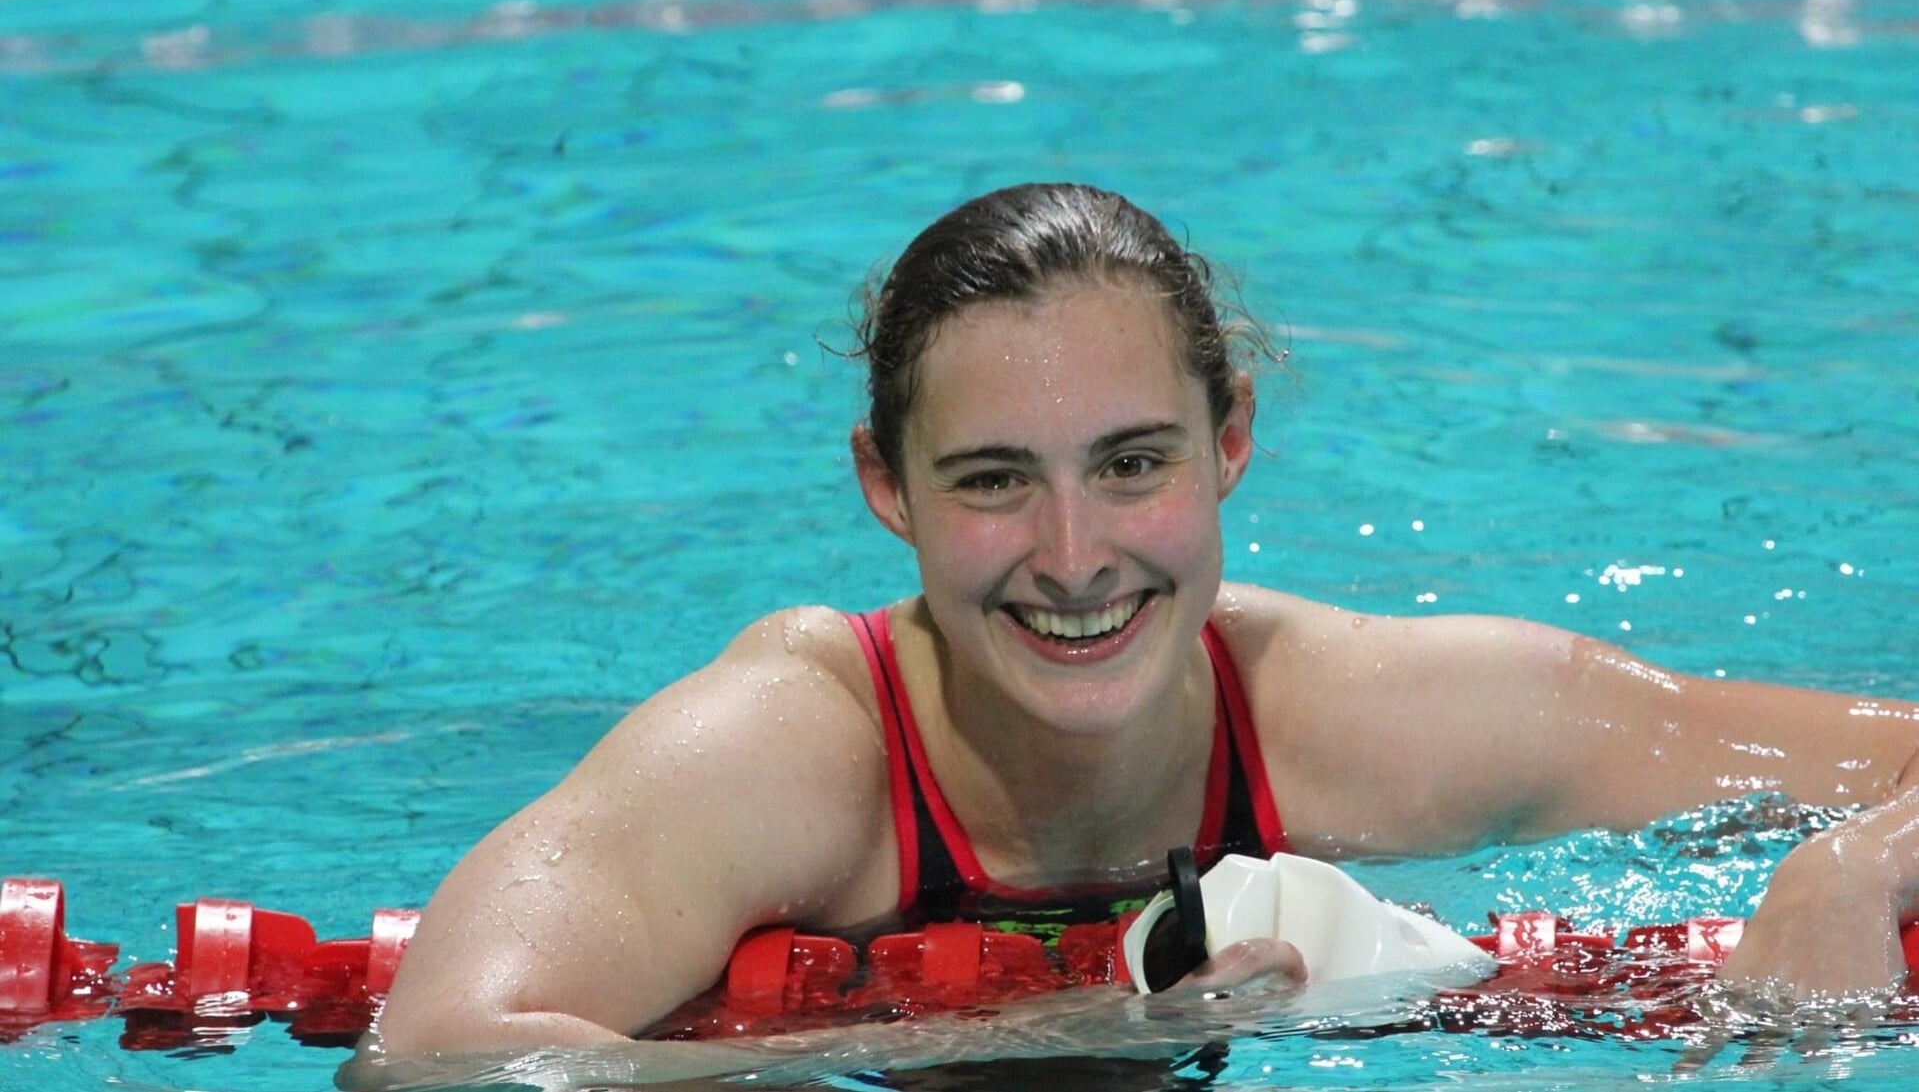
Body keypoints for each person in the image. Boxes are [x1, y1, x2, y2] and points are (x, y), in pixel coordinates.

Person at [366, 182, 1919, 1059]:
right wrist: (1023, 1036)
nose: (1073, 555)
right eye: (991, 480)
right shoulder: (790, 750)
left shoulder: (1359, 713)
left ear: (1229, 441)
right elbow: (431, 1055)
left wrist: (1853, 866)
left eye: (1132, 465)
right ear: (883, 488)